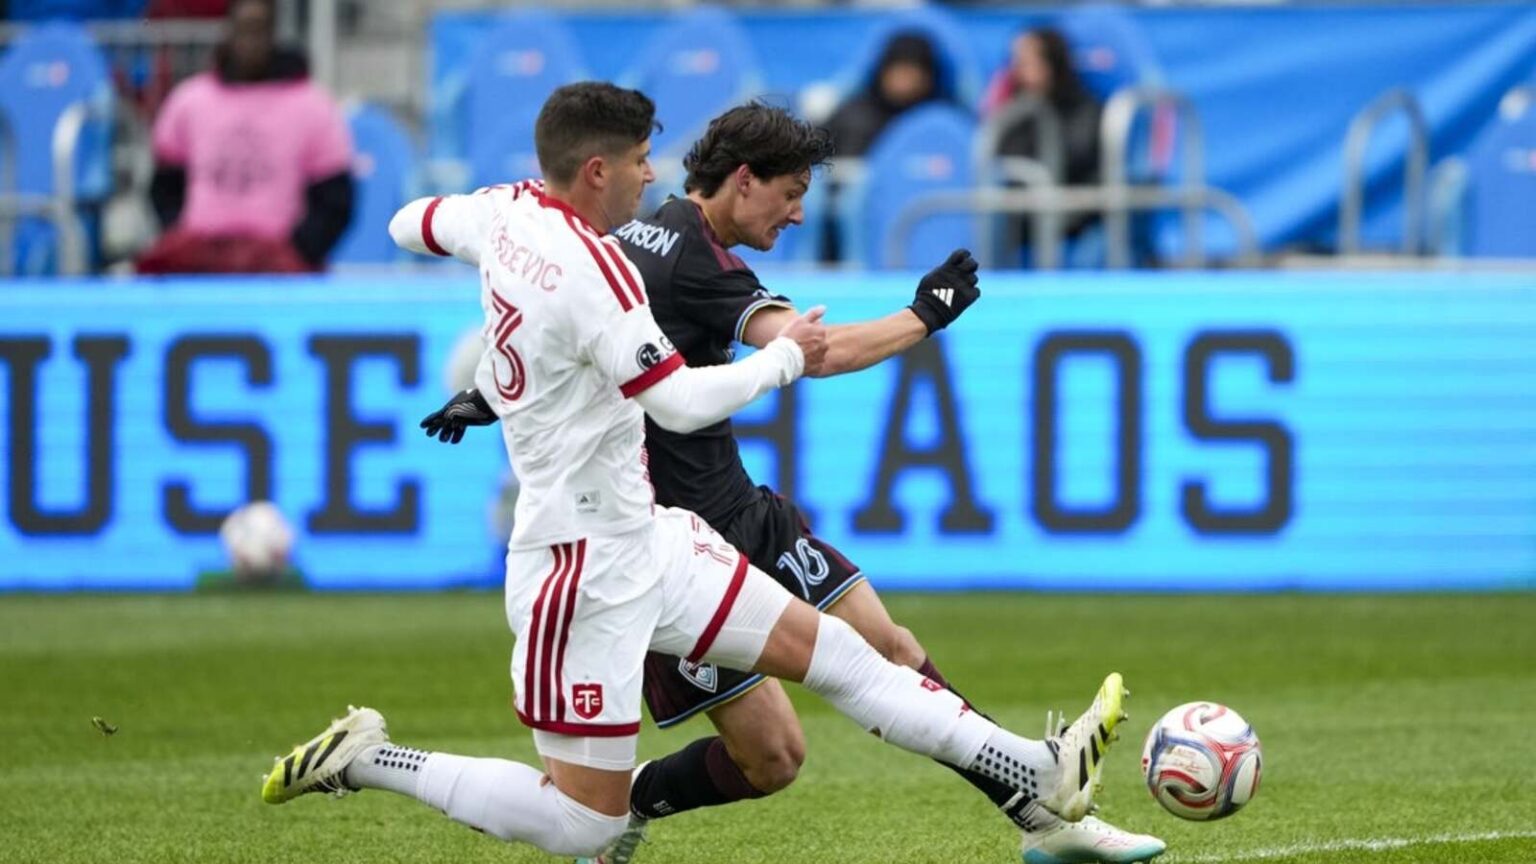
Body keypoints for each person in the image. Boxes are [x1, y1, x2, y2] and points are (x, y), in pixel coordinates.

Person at [259, 82, 1128, 861]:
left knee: (855, 659)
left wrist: (499, 379)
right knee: (592, 822)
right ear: (597, 169)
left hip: (659, 533)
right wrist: (788, 361)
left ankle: (1042, 776)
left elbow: (407, 221)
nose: (652, 176)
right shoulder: (601, 268)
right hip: (581, 567)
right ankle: (372, 758)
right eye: (639, 162)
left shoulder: (505, 214)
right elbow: (675, 402)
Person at [137, 0, 354, 274]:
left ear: (273, 35)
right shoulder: (188, 102)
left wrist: (299, 249)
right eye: (242, 29)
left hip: (275, 267)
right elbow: (164, 186)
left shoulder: (313, 106)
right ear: (228, 32)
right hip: (200, 260)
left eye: (258, 30)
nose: (250, 41)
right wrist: (183, 231)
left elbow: (335, 200)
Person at [981, 27, 1106, 267]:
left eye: (1029, 61)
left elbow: (1081, 166)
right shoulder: (1011, 113)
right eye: (1016, 62)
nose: (1019, 70)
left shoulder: (1086, 111)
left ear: (1053, 63)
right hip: (1023, 222)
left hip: (1076, 221)